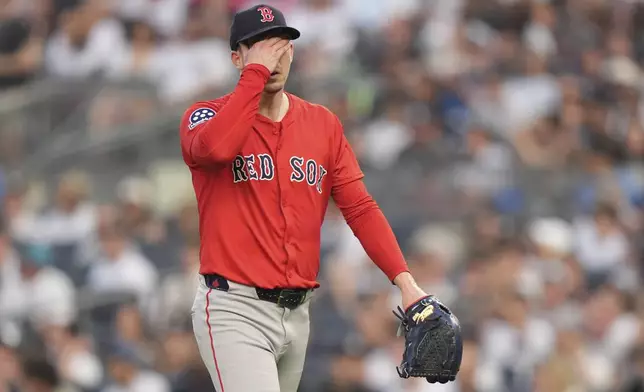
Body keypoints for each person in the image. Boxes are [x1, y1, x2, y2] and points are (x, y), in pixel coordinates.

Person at [179, 4, 442, 392]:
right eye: (259, 46)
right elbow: (214, 150)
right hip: (235, 307)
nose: (273, 54)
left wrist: (405, 282)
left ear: (293, 52)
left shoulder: (322, 124)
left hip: (298, 312)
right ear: (237, 58)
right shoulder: (204, 115)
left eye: (281, 44)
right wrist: (255, 75)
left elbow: (360, 208)